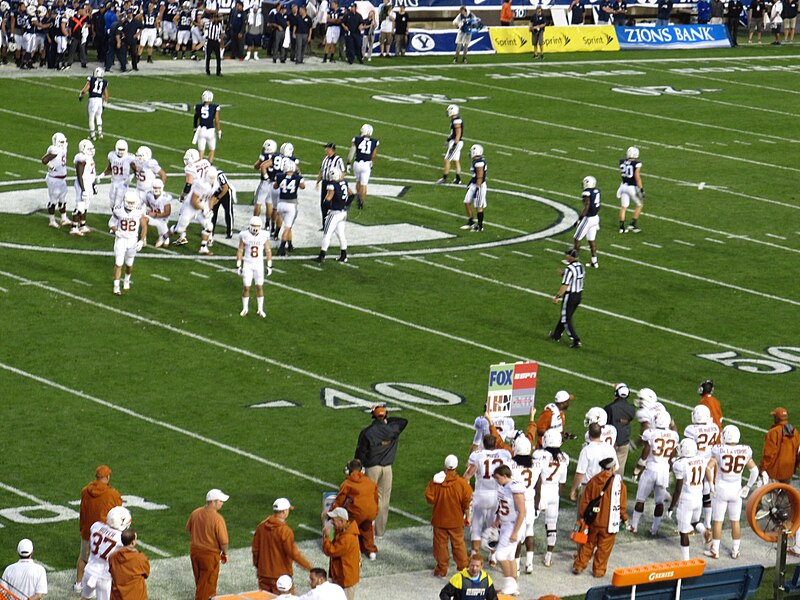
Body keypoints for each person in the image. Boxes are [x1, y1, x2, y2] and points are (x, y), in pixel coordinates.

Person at [704, 425, 759, 560]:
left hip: (721, 489)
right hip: (736, 490)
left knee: (718, 521)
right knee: (735, 521)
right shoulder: (745, 450)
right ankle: (735, 551)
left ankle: (715, 550)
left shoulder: (719, 449)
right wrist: (748, 486)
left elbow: (708, 468)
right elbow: (754, 471)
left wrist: (711, 484)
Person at [355, 405, 408, 538]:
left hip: (371, 468)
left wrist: (358, 468)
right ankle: (380, 532)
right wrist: (386, 418)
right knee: (384, 501)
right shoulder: (393, 429)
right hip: (387, 468)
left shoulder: (367, 432)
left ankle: (366, 532)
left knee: (368, 500)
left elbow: (361, 452)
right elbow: (403, 421)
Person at [572, 458, 627, 577]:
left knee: (588, 544)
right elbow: (621, 505)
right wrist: (625, 519)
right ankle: (598, 570)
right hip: (609, 523)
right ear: (612, 468)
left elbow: (585, 500)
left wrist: (582, 516)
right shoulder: (619, 484)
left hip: (593, 521)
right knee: (604, 548)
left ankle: (579, 565)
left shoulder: (593, 480)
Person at [628, 410, 678, 535]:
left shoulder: (650, 433)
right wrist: (670, 468)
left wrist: (639, 467)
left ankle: (634, 526)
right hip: (664, 470)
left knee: (640, 499)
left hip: (651, 469)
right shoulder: (674, 435)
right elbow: (673, 454)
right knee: (659, 501)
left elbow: (646, 449)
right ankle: (654, 529)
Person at [463, 434, 513, 562]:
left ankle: (474, 554)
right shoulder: (504, 454)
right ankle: (493, 556)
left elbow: (468, 475)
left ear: (483, 444)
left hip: (481, 494)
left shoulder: (478, 455)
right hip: (497, 494)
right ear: (495, 444)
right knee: (494, 526)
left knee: (476, 526)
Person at [75, 466, 123, 592]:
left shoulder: (85, 491)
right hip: (106, 533)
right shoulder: (113, 494)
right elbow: (118, 514)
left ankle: (78, 584)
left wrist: (82, 528)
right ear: (107, 477)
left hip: (87, 531)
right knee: (103, 562)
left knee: (83, 558)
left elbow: (83, 511)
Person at [252, 497, 312, 594]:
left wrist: (259, 567)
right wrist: (309, 567)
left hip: (264, 574)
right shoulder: (285, 531)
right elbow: (293, 553)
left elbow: (255, 550)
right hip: (281, 576)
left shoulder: (261, 527)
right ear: (284, 512)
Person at [426, 454, 472, 578]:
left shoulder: (436, 482)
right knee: (459, 545)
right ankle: (463, 568)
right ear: (456, 467)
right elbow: (466, 503)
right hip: (456, 520)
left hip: (439, 520)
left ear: (445, 466)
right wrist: (467, 517)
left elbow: (429, 498)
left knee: (440, 546)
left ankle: (442, 569)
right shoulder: (463, 484)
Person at [667, 439, 710, 560]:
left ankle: (685, 559)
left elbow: (678, 489)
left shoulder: (680, 464)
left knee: (683, 531)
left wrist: (671, 507)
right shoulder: (702, 459)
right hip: (698, 497)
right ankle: (704, 532)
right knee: (695, 521)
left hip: (686, 500)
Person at [80, 506, 132, 600]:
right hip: (105, 576)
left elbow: (89, 548)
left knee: (84, 598)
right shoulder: (121, 538)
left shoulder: (96, 526)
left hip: (89, 570)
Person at [186, 489, 229, 600]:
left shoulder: (195, 513)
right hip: (210, 556)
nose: (222, 503)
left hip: (195, 552)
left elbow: (189, 529)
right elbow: (224, 541)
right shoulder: (218, 519)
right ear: (213, 502)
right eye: (220, 501)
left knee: (200, 582)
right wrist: (225, 553)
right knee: (207, 587)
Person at [534, 430, 569, 568]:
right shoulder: (564, 457)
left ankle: (521, 558)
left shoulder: (538, 454)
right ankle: (548, 557)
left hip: (541, 490)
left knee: (528, 523)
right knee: (552, 525)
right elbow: (562, 482)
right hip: (554, 491)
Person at [332, 459, 379, 559]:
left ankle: (353, 551)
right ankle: (371, 552)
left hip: (357, 512)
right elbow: (376, 499)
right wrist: (375, 512)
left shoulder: (347, 483)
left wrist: (333, 511)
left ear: (348, 471)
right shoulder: (370, 482)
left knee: (349, 528)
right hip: (371, 512)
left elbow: (339, 500)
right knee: (367, 528)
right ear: (362, 470)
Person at [683, 404, 720, 530]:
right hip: (709, 462)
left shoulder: (691, 429)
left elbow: (688, 445)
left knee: (694, 491)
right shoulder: (714, 427)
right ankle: (708, 523)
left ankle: (693, 521)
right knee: (707, 492)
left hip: (697, 462)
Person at [491, 465, 525, 596]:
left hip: (513, 525)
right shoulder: (503, 487)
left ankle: (509, 586)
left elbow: (522, 511)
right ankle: (514, 586)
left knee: (500, 555)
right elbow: (503, 506)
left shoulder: (514, 487)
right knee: (510, 557)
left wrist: (516, 531)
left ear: (505, 476)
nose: (497, 480)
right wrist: (497, 520)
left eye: (498, 477)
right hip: (506, 524)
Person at [172, 152, 214, 254]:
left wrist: (182, 195)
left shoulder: (190, 167)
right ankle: (209, 239)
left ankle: (180, 236)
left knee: (183, 214)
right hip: (205, 193)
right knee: (206, 217)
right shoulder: (206, 162)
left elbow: (188, 184)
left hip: (194, 194)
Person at [110, 192, 148, 296]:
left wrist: (141, 240)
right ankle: (116, 286)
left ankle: (126, 280)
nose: (131, 204)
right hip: (121, 239)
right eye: (129, 202)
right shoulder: (118, 209)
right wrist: (115, 230)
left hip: (132, 239)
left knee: (129, 264)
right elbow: (111, 223)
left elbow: (144, 226)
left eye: (133, 202)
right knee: (118, 263)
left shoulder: (139, 210)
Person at [314, 166, 353, 264]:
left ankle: (322, 256)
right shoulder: (344, 182)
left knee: (327, 234)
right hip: (343, 212)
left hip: (334, 213)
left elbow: (328, 199)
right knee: (341, 234)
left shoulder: (332, 185)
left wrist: (327, 205)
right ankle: (344, 255)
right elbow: (352, 195)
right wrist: (345, 205)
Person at [570, 423, 618, 501]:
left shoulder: (586, 450)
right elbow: (614, 469)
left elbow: (580, 473)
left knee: (584, 511)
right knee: (602, 511)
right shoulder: (610, 448)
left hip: (589, 486)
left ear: (589, 434)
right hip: (605, 486)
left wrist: (573, 490)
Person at [236, 216, 272, 318]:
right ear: (250, 226)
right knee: (246, 287)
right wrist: (238, 265)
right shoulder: (245, 235)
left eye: (257, 226)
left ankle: (260, 309)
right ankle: (245, 308)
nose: (255, 228)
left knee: (259, 286)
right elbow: (240, 250)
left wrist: (269, 265)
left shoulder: (264, 236)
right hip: (247, 264)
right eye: (253, 226)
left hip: (259, 264)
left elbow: (268, 250)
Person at [550, 248, 585, 348]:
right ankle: (556, 335)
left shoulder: (569, 269)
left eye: (567, 255)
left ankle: (575, 339)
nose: (566, 257)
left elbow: (565, 285)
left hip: (570, 296)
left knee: (566, 319)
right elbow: (575, 276)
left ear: (571, 257)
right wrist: (563, 273)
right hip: (578, 295)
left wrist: (557, 296)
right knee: (565, 315)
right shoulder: (580, 266)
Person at [322, 507, 360, 600]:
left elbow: (331, 551)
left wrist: (326, 537)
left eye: (334, 520)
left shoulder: (347, 538)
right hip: (343, 575)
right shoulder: (344, 531)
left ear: (342, 521)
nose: (332, 523)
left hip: (345, 579)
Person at [274, 158, 305, 257]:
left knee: (288, 225)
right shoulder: (297, 178)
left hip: (280, 204)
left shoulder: (279, 176)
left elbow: (275, 186)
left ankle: (290, 245)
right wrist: (299, 174)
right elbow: (303, 186)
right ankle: (281, 249)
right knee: (287, 227)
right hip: (291, 205)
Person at [109, 529, 150, 600]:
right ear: (133, 542)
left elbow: (111, 571)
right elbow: (146, 574)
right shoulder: (140, 558)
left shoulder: (112, 557)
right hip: (136, 596)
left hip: (117, 596)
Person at [604, 383, 635, 475]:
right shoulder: (631, 409)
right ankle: (617, 487)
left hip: (610, 442)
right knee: (620, 468)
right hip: (624, 441)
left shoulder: (609, 408)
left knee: (606, 467)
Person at [42, 132, 71, 229]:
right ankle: (52, 220)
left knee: (63, 199)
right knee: (53, 200)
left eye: (63, 141)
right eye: (61, 141)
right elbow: (44, 160)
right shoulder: (54, 150)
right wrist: (51, 166)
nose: (63, 143)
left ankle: (64, 218)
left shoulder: (62, 148)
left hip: (61, 179)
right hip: (54, 179)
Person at [347, 124, 379, 210]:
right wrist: (372, 163)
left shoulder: (356, 139)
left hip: (357, 163)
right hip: (367, 164)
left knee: (358, 181)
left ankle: (358, 196)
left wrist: (348, 163)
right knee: (364, 184)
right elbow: (373, 156)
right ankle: (361, 201)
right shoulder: (375, 141)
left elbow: (352, 152)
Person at [69, 138, 97, 236]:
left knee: (85, 205)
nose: (92, 150)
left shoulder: (89, 158)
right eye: (89, 149)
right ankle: (74, 227)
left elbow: (91, 174)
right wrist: (83, 189)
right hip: (83, 184)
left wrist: (93, 185)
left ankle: (82, 225)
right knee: (80, 206)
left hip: (88, 184)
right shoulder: (81, 159)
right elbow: (79, 175)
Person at [573, 175, 601, 269]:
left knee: (577, 238)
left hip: (588, 219)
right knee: (591, 240)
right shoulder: (597, 191)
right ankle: (595, 262)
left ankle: (574, 260)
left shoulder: (586, 192)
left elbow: (587, 206)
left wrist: (579, 219)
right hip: (595, 218)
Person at [316, 142, 345, 229]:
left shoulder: (338, 159)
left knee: (332, 204)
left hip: (332, 183)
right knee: (323, 203)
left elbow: (343, 171)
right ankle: (324, 224)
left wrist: (338, 181)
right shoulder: (325, 159)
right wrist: (318, 181)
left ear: (331, 149)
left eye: (327, 148)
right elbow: (322, 171)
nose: (325, 150)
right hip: (325, 182)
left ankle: (332, 223)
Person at [460, 144, 487, 232]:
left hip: (479, 185)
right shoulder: (476, 161)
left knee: (478, 206)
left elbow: (480, 176)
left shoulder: (479, 162)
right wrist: (471, 183)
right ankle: (470, 222)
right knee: (467, 201)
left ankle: (480, 226)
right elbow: (475, 176)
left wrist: (477, 188)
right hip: (474, 184)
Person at [103, 139, 136, 211]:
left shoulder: (129, 158)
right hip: (114, 182)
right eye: (119, 149)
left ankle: (118, 218)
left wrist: (132, 176)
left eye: (123, 149)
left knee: (118, 202)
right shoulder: (112, 156)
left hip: (123, 183)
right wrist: (102, 175)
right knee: (112, 201)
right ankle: (114, 216)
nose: (121, 151)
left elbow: (136, 170)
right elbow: (109, 168)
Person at [617, 146, 643, 234]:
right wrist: (641, 189)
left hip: (623, 186)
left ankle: (621, 227)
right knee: (639, 204)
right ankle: (632, 224)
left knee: (624, 207)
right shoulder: (636, 164)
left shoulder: (621, 162)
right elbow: (637, 177)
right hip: (631, 187)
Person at [79, 67, 109, 141]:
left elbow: (85, 90)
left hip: (93, 100)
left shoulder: (91, 79)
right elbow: (106, 95)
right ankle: (100, 133)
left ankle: (93, 136)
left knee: (91, 118)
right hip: (100, 100)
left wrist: (81, 95)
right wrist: (104, 103)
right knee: (99, 116)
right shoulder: (104, 82)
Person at [437, 104, 463, 185]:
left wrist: (455, 143)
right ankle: (458, 179)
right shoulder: (454, 120)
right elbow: (453, 133)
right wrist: (448, 140)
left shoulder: (456, 121)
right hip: (456, 141)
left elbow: (458, 133)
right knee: (455, 160)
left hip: (456, 142)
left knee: (447, 159)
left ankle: (444, 178)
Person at [194, 90, 221, 163]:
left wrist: (195, 128)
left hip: (201, 130)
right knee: (212, 150)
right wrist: (219, 131)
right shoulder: (215, 107)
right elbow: (217, 121)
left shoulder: (198, 107)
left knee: (201, 152)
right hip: (210, 131)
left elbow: (196, 118)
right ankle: (208, 167)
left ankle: (200, 169)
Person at [144, 178, 172, 248]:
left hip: (162, 218)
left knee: (165, 244)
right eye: (155, 188)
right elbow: (148, 205)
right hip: (154, 215)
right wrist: (149, 211)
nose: (156, 189)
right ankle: (143, 239)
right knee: (142, 218)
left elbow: (167, 213)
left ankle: (164, 236)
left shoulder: (165, 197)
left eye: (158, 188)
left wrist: (155, 215)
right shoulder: (149, 195)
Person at [210, 168, 235, 239]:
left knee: (228, 212)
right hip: (216, 193)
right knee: (212, 212)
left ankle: (229, 231)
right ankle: (210, 231)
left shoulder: (219, 175)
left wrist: (218, 198)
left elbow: (225, 187)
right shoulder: (206, 177)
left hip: (225, 193)